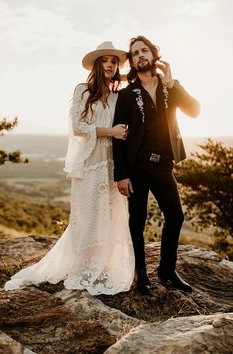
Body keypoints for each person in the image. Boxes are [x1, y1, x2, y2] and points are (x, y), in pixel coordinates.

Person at [5, 41, 135, 295]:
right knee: (86, 218)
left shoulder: (119, 96)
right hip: (88, 164)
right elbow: (78, 127)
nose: (110, 65)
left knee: (109, 217)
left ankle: (104, 265)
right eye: (105, 60)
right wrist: (111, 132)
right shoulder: (83, 91)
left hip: (111, 165)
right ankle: (81, 267)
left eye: (114, 61)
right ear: (97, 65)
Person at [113, 35, 200, 295]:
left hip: (163, 166)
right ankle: (141, 273)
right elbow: (119, 139)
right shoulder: (126, 95)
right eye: (135, 53)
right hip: (136, 168)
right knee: (136, 222)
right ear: (131, 62)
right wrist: (121, 175)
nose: (140, 55)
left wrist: (172, 82)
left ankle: (167, 269)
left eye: (144, 50)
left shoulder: (170, 88)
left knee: (176, 216)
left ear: (153, 55)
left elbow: (194, 111)